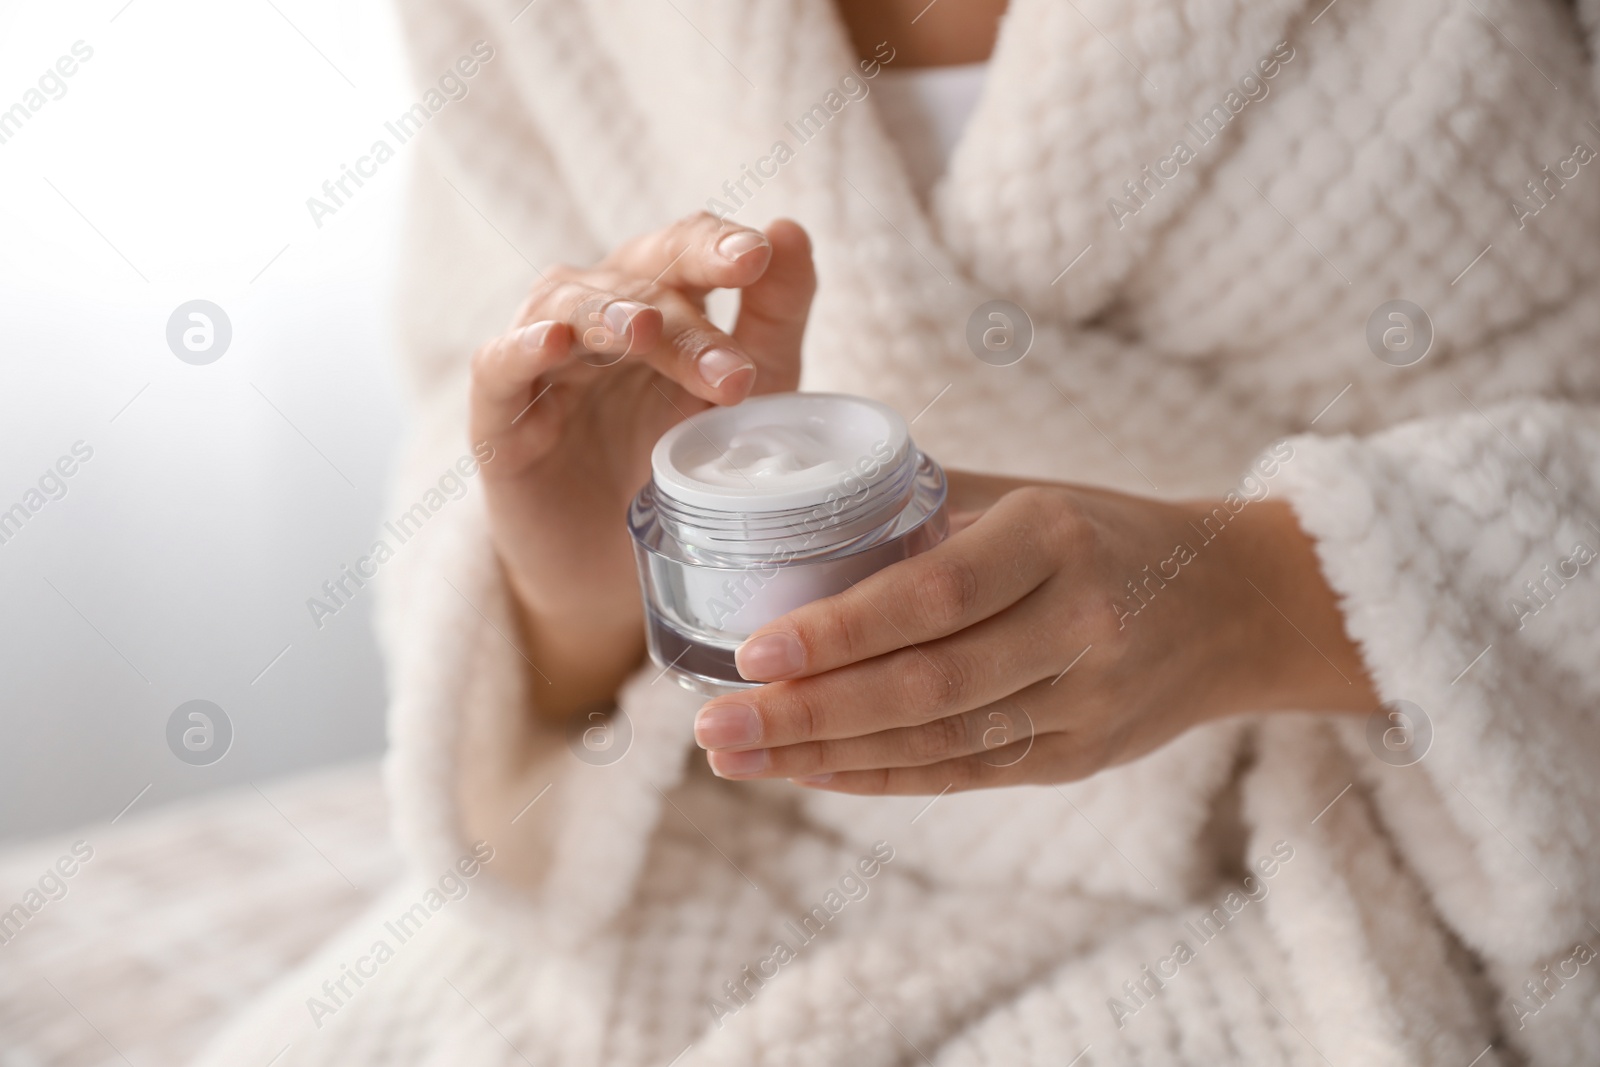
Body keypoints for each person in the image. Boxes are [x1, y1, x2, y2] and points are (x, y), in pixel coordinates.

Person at [198, 0, 1600, 1063]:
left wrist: (1260, 596)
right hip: (756, 834)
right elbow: (471, 385)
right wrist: (577, 586)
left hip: (1427, 830)